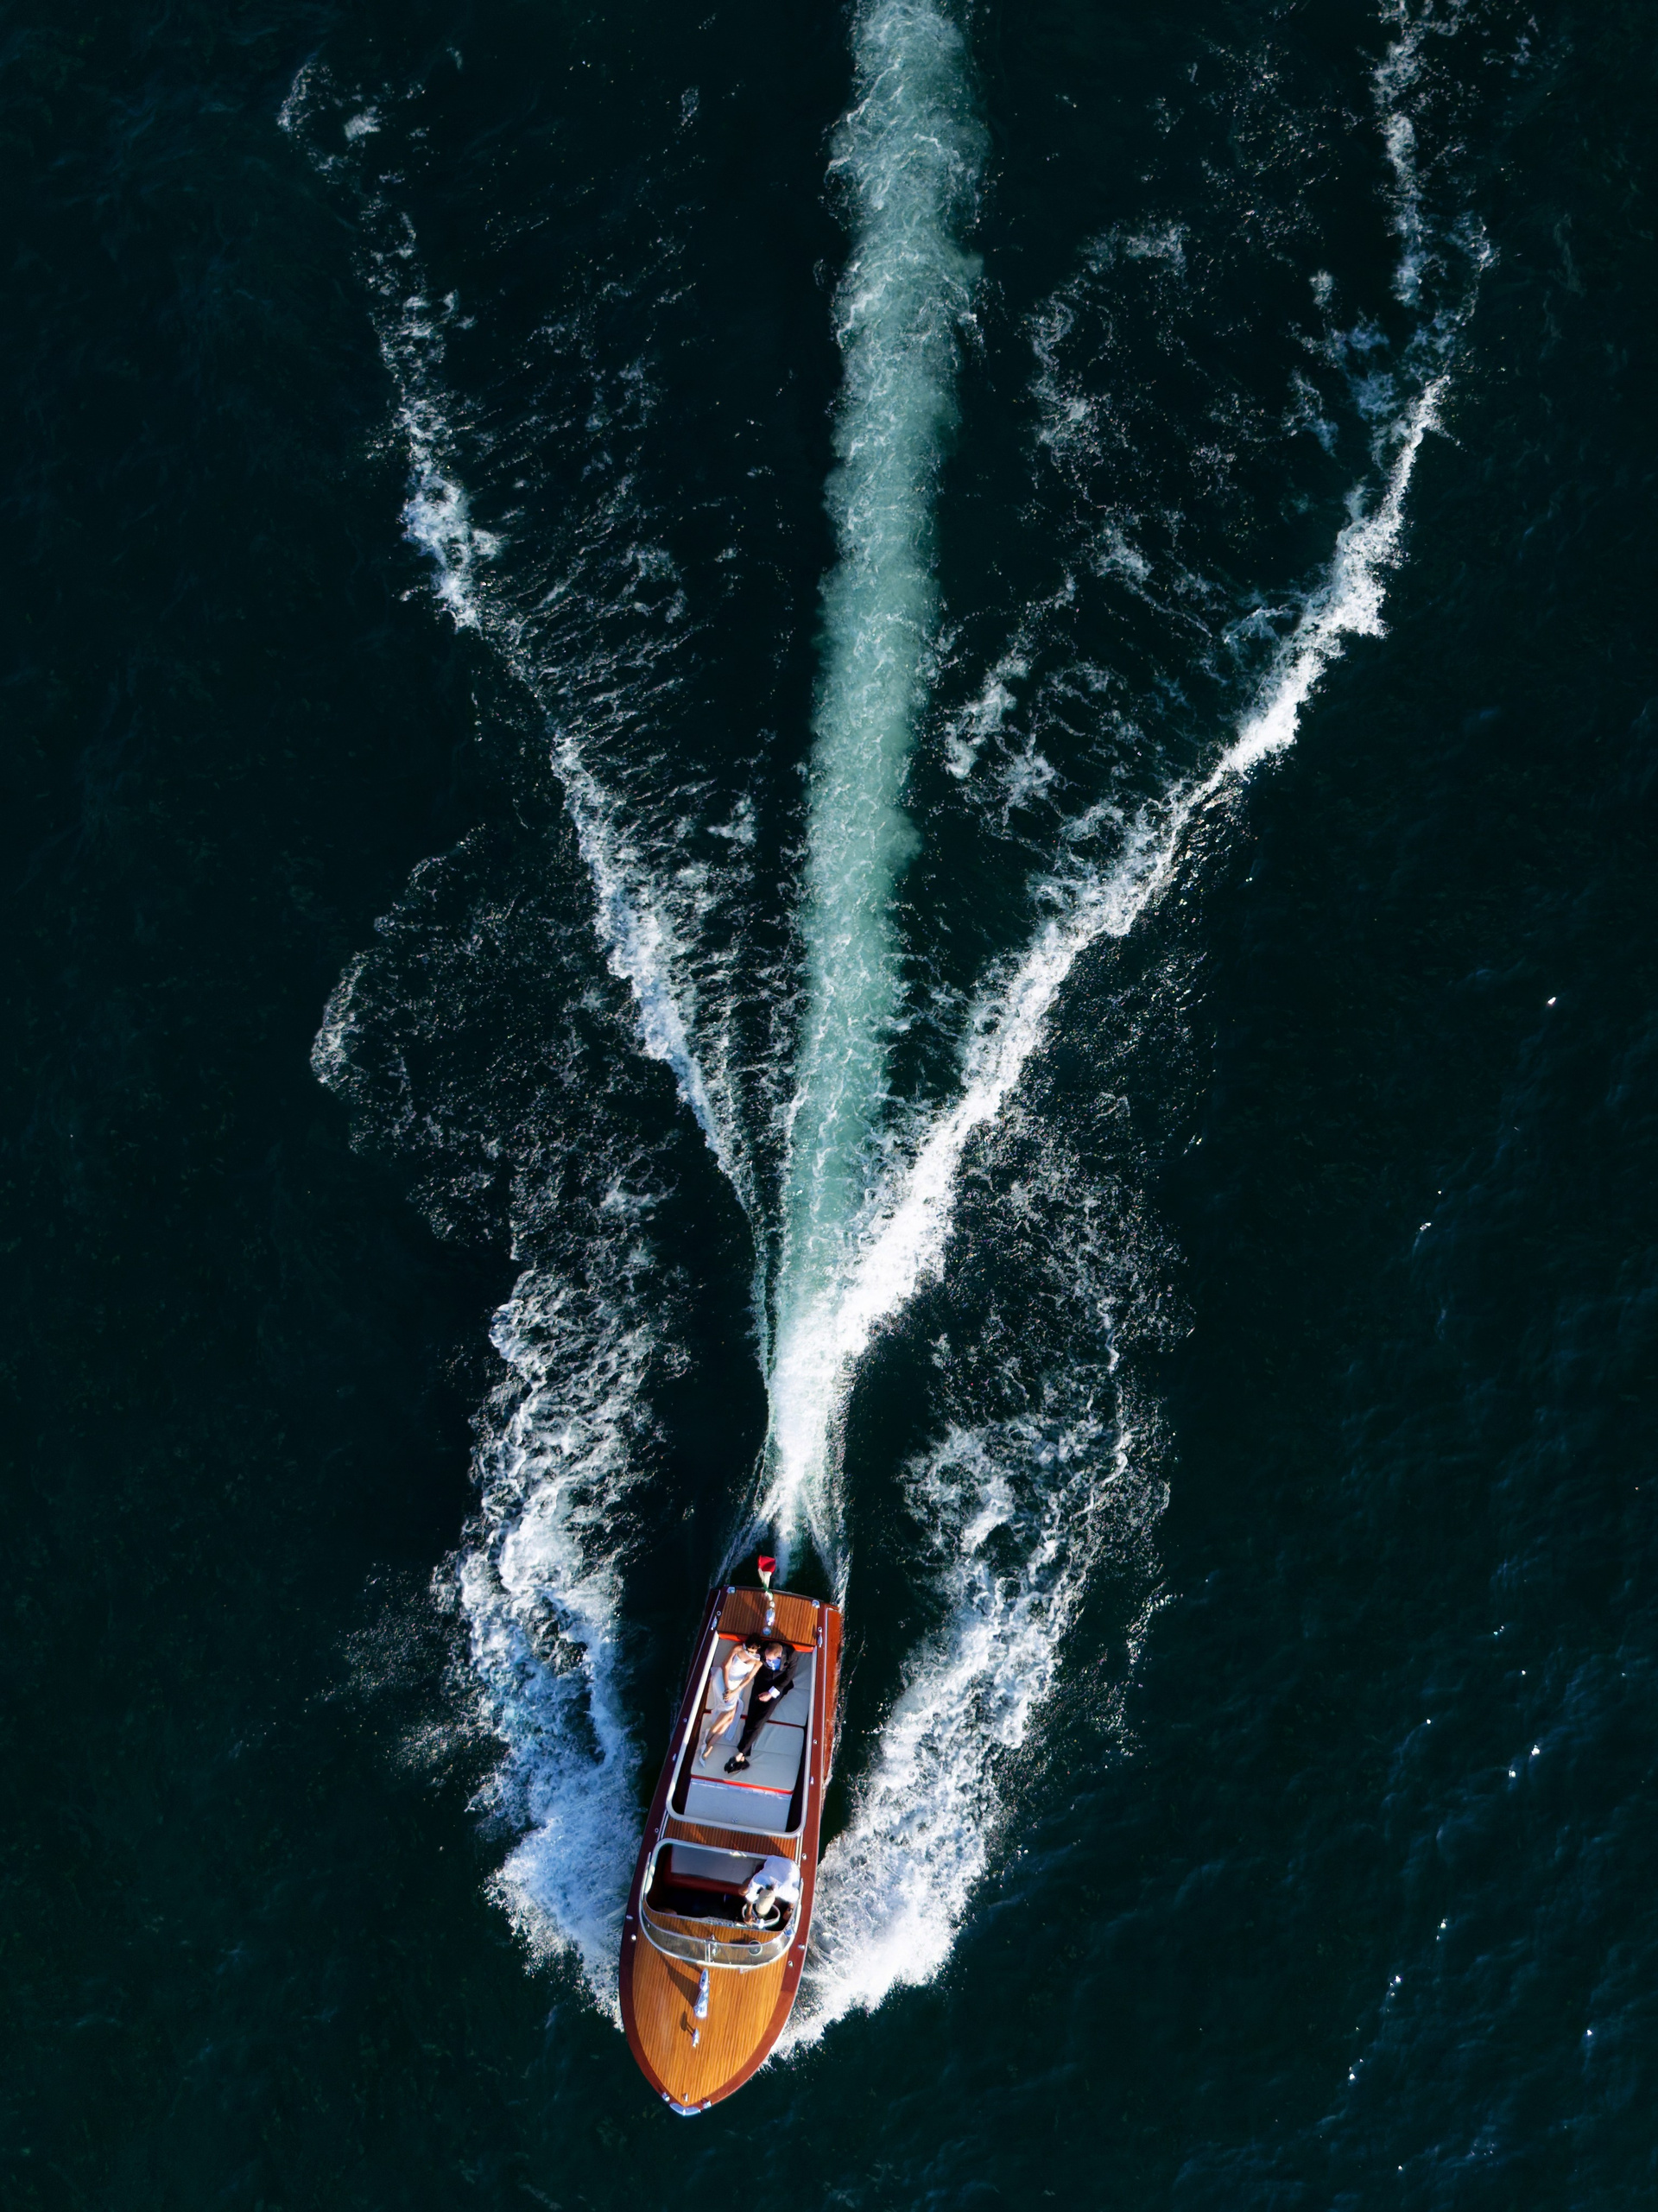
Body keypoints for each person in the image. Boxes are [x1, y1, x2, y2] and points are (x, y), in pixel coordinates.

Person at [723, 1637, 797, 1771]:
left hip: (777, 1687)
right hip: (762, 1681)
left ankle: (740, 1754)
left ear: (779, 1655)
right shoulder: (764, 1648)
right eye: (765, 1658)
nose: (766, 1661)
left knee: (760, 1719)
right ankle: (743, 1757)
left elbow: (787, 1678)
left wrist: (770, 1694)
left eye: (769, 1660)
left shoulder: (791, 1655)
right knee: (751, 1716)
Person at [699, 1639, 763, 1762]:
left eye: (752, 1652)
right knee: (729, 1713)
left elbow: (749, 1677)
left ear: (757, 1650)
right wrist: (727, 1687)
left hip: (736, 1687)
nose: (749, 1653)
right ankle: (708, 1738)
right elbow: (726, 1666)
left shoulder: (758, 1661)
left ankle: (710, 1744)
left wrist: (734, 1691)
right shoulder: (737, 1648)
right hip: (723, 1680)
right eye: (747, 1650)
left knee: (730, 1718)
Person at [741, 1853, 802, 1928]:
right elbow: (750, 1895)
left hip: (791, 1864)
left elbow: (796, 1896)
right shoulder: (759, 1878)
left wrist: (790, 1909)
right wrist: (748, 1913)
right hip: (774, 1859)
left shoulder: (784, 1892)